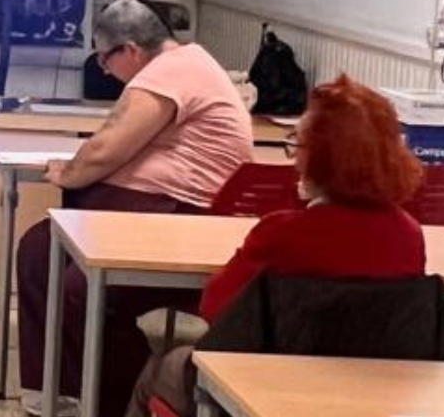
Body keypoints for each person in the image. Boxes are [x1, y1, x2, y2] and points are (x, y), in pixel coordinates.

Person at [127, 74, 426, 417]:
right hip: (374, 393)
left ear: (321, 158)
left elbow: (216, 310)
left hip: (267, 389)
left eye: (298, 145)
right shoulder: (409, 234)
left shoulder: (282, 232)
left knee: (161, 367)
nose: (294, 157)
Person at [17, 0, 253, 417]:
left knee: (82, 289)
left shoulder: (171, 71)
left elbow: (106, 149)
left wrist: (66, 173)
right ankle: (56, 390)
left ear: (131, 50)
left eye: (104, 58)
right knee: (38, 252)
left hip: (180, 219)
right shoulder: (177, 67)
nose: (104, 70)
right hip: (149, 212)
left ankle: (104, 401)